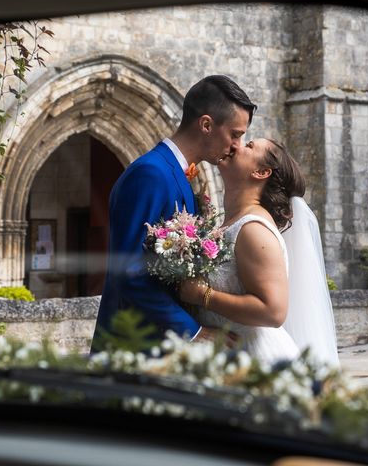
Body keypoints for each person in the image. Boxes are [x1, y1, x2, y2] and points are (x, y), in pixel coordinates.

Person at [91, 75, 256, 352]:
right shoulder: (150, 173)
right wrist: (192, 331)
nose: (237, 146)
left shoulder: (174, 173)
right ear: (206, 125)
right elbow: (129, 271)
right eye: (235, 134)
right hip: (134, 347)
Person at [180, 138, 339, 368]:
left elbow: (273, 311)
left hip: (254, 359)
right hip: (227, 357)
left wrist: (202, 295)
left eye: (250, 146)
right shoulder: (232, 223)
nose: (235, 145)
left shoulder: (254, 229)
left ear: (262, 172)